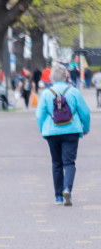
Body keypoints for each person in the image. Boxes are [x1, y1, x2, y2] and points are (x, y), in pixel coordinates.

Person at [36, 63, 91, 207]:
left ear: (51, 77)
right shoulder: (73, 92)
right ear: (66, 76)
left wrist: (43, 130)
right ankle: (68, 189)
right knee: (69, 162)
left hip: (52, 132)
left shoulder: (46, 94)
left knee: (56, 163)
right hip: (71, 131)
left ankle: (58, 196)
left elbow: (39, 115)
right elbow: (85, 112)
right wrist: (85, 128)